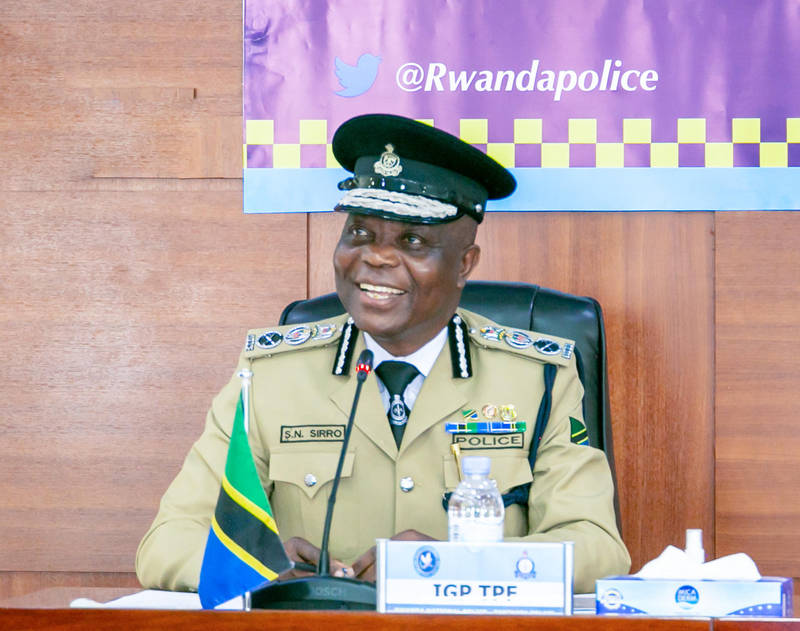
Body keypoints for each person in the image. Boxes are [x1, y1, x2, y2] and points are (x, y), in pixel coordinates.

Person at [136, 113, 630, 594]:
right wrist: (256, 566)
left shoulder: (538, 378)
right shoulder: (269, 377)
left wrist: (453, 565)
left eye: (412, 240)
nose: (375, 257)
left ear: (464, 264)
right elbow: (168, 542)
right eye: (360, 233)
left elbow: (597, 547)